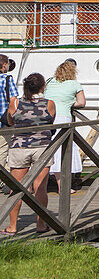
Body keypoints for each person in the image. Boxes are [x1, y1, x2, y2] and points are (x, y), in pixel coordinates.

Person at [3, 73, 56, 235]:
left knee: (16, 188)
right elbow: (50, 121)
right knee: (40, 188)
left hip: (19, 147)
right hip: (42, 147)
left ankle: (12, 226)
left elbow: (10, 121)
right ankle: (41, 225)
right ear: (42, 87)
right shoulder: (49, 103)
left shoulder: (15, 102)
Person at [44, 59, 86, 180]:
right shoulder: (74, 84)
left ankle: (38, 186)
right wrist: (70, 102)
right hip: (63, 119)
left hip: (48, 119)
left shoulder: (49, 82)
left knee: (47, 152)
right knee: (62, 152)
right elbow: (81, 103)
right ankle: (62, 187)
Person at [0, 54, 16, 170]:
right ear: (4, 65)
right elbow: (13, 101)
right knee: (2, 150)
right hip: (3, 121)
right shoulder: (7, 79)